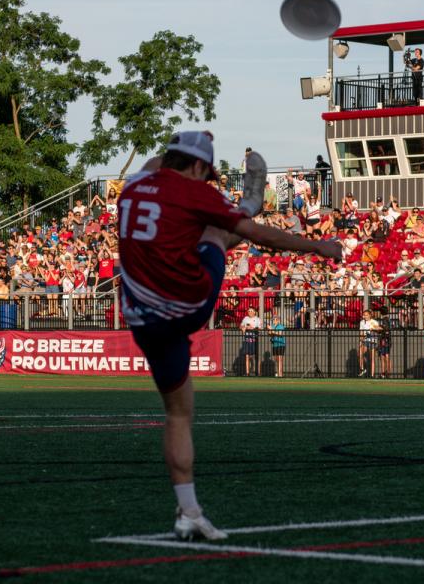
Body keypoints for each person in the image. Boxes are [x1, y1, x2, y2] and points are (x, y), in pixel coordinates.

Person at [117, 131, 341, 541]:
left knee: (177, 413)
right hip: (187, 304)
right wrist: (319, 248)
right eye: (205, 172)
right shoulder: (192, 192)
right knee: (218, 233)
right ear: (197, 167)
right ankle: (252, 200)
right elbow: (262, 237)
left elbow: (155, 165)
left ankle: (189, 511)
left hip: (141, 317)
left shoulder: (133, 185)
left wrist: (190, 145)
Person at [239, 307, 261, 376]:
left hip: (254, 339)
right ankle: (247, 372)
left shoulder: (257, 319)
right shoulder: (245, 318)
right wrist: (243, 327)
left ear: (254, 312)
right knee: (247, 356)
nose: (250, 312)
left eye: (251, 311)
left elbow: (259, 328)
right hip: (247, 339)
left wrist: (252, 328)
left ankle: (258, 372)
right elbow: (240, 326)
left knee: (255, 356)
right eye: (249, 311)